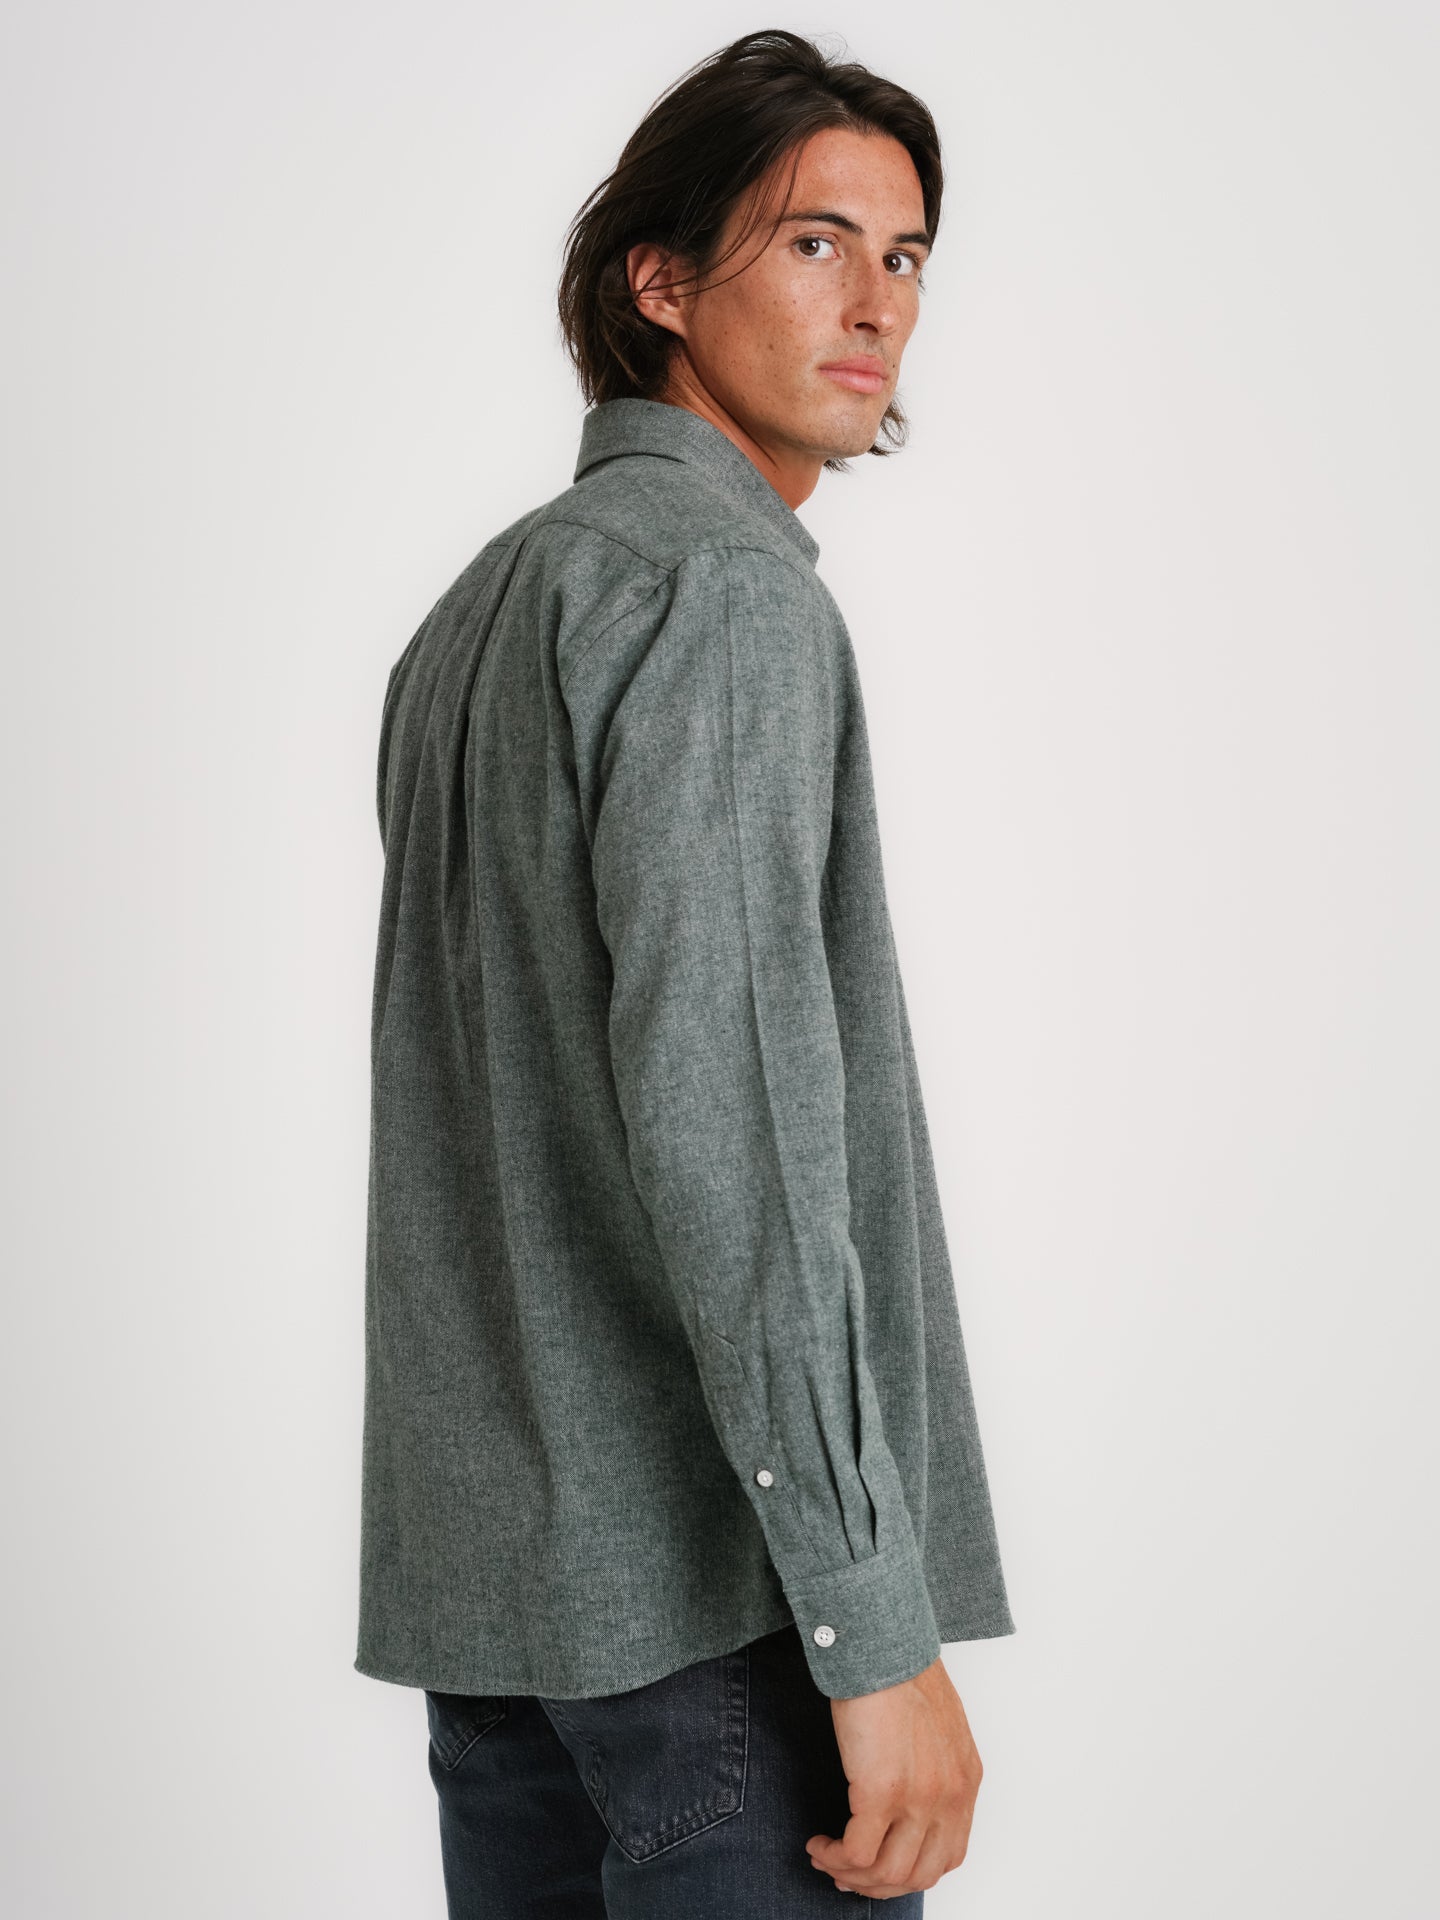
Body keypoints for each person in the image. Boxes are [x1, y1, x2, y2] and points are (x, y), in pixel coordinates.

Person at [355, 27, 1016, 1914]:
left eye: (904, 254)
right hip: (721, 1619)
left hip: (511, 1630)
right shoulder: (718, 594)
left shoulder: (484, 608)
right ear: (660, 281)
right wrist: (872, 1626)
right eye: (814, 244)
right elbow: (736, 1130)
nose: (877, 304)